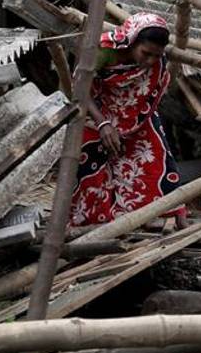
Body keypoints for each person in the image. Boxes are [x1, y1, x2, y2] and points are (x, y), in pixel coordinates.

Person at [69, 12, 187, 228]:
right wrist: (103, 123)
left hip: (136, 116)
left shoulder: (157, 60)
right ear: (132, 41)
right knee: (89, 160)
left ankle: (165, 214)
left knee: (157, 158)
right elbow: (79, 88)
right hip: (96, 112)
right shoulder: (103, 51)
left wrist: (126, 122)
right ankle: (95, 222)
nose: (150, 61)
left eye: (156, 56)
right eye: (146, 53)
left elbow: (151, 89)